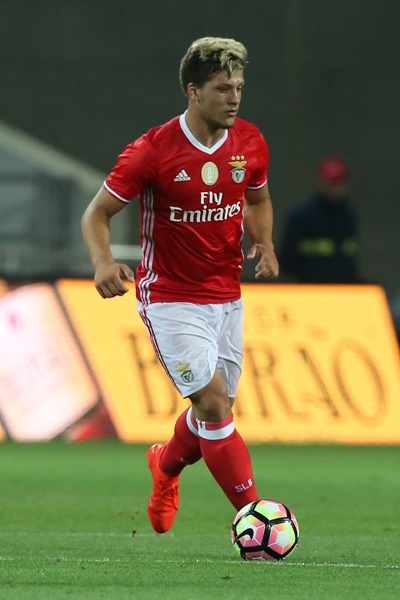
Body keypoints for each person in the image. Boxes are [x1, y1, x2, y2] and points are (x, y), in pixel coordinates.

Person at [81, 36, 279, 534]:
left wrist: (265, 242)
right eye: (222, 88)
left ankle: (165, 466)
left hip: (226, 295)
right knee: (212, 403)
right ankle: (255, 518)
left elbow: (257, 199)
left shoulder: (250, 142)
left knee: (217, 409)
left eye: (239, 87)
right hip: (169, 297)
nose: (234, 98)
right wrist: (103, 262)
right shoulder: (152, 151)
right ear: (193, 91)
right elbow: (97, 213)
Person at [278, 156, 360, 283]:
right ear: (322, 183)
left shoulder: (348, 216)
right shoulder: (302, 216)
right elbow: (287, 258)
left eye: (339, 183)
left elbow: (349, 257)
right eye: (332, 184)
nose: (336, 189)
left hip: (343, 288)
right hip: (309, 287)